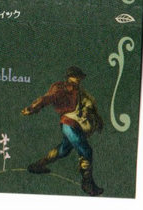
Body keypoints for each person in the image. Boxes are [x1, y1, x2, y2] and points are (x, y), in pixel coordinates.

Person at [22, 66, 104, 196]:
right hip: (69, 124)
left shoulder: (78, 90)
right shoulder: (63, 88)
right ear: (70, 77)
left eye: (79, 77)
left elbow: (87, 103)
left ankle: (38, 165)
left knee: (64, 150)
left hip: (75, 125)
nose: (79, 79)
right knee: (86, 150)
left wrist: (91, 114)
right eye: (77, 77)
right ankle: (87, 183)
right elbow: (47, 98)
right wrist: (32, 108)